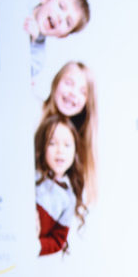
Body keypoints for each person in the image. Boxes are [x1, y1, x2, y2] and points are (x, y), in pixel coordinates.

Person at [42, 61, 98, 204]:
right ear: (56, 82)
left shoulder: (79, 142)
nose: (73, 93)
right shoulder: (33, 115)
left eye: (83, 91)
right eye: (69, 83)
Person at [35, 114, 87, 255]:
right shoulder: (31, 177)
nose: (60, 151)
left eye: (67, 145)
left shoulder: (68, 198)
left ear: (75, 151)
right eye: (52, 143)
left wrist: (36, 246)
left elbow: (58, 240)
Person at [23, 0, 90, 82]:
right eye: (61, 6)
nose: (61, 18)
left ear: (62, 36)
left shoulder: (37, 60)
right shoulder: (14, 4)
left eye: (68, 22)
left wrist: (29, 40)